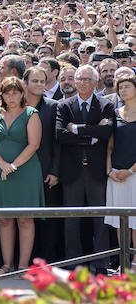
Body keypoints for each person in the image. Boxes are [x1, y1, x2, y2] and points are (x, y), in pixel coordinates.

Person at [56, 64, 115, 274]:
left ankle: (100, 265)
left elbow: (107, 131)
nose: (81, 83)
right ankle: (73, 265)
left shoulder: (106, 105)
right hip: (72, 171)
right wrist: (92, 135)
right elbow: (61, 134)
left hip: (97, 171)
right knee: (72, 220)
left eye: (86, 79)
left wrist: (77, 130)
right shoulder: (64, 106)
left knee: (100, 220)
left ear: (95, 82)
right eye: (78, 79)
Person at [0, 77, 44, 275]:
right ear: (1, 94)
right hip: (0, 171)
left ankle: (23, 266)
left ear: (22, 94)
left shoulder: (31, 113)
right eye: (7, 93)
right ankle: (7, 265)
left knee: (25, 219)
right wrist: (2, 164)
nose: (11, 97)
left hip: (25, 172)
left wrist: (12, 165)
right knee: (4, 219)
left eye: (15, 93)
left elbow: (34, 144)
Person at [23, 66, 62, 263]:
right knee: (23, 219)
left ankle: (46, 262)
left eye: (42, 81)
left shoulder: (54, 106)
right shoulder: (15, 105)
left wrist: (55, 171)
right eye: (35, 81)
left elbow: (57, 142)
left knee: (46, 220)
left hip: (46, 171)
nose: (39, 85)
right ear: (25, 83)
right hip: (20, 172)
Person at [105, 74, 136, 271]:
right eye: (120, 87)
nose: (123, 90)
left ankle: (135, 262)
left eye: (127, 86)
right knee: (119, 221)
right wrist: (109, 171)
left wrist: (131, 171)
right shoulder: (115, 113)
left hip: (133, 174)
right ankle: (124, 263)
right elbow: (109, 147)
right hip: (116, 174)